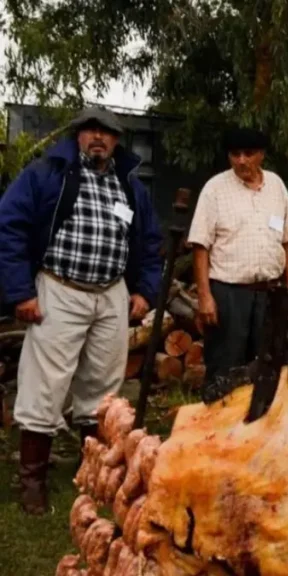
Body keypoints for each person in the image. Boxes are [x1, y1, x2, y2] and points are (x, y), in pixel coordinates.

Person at [0, 106, 163, 514]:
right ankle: (32, 481)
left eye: (106, 133)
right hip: (60, 288)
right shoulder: (46, 174)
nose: (98, 138)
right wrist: (20, 292)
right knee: (45, 384)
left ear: (116, 140)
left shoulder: (129, 186)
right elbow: (10, 226)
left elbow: (150, 241)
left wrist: (144, 290)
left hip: (111, 294)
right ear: (78, 135)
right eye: (90, 130)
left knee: (104, 390)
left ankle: (95, 470)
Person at [187, 127, 288, 390]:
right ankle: (216, 426)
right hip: (229, 294)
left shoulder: (276, 185)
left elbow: (287, 238)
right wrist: (205, 296)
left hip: (270, 293)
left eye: (248, 154)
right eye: (235, 154)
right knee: (225, 368)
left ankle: (258, 426)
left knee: (266, 366)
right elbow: (200, 245)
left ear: (261, 155)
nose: (241, 160)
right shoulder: (214, 189)